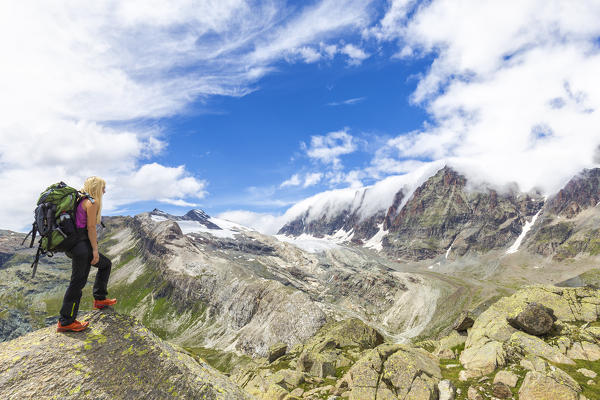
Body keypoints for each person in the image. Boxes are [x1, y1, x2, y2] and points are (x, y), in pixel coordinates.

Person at [57, 176, 117, 332]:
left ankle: (100, 299)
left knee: (105, 265)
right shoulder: (91, 203)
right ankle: (66, 321)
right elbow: (91, 228)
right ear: (96, 188)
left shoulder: (80, 201)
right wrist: (95, 250)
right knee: (77, 283)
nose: (105, 191)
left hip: (75, 247)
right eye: (103, 188)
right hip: (82, 248)